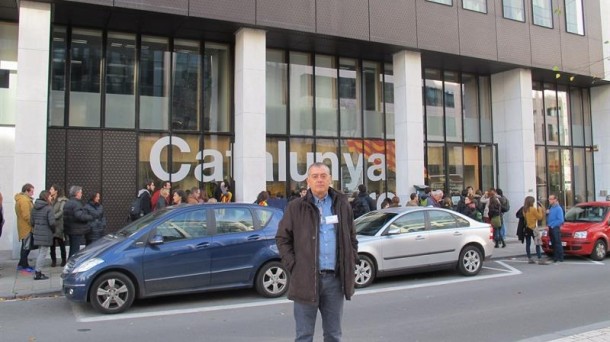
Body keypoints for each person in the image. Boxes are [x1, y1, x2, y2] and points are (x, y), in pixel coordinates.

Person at [276, 162, 358, 342]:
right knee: (304, 336)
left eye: (323, 176)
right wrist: (294, 265)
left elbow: (352, 236)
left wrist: (351, 258)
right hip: (305, 280)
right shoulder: (296, 207)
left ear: (330, 179)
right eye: (315, 176)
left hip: (335, 281)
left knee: (333, 335)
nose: (319, 179)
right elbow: (282, 239)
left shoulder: (342, 205)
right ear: (308, 181)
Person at [30, 190, 55, 280]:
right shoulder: (49, 208)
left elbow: (32, 222)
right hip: (46, 233)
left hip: (37, 232)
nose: (51, 197)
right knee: (43, 253)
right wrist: (53, 230)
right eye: (50, 196)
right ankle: (38, 272)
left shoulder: (34, 207)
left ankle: (38, 271)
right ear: (46, 197)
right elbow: (52, 223)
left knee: (41, 252)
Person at [63, 185, 93, 258]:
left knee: (72, 248)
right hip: (76, 230)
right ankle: (72, 266)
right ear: (76, 193)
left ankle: (69, 263)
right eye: (81, 192)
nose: (81, 194)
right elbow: (79, 216)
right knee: (75, 250)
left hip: (70, 229)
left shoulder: (68, 202)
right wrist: (89, 217)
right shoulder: (76, 204)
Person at [15, 183, 35, 272]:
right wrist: (33, 223)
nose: (32, 193)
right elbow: (27, 215)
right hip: (26, 227)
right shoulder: (24, 200)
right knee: (26, 247)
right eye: (31, 191)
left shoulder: (23, 199)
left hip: (24, 226)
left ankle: (22, 264)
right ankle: (23, 265)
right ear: (26, 191)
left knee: (25, 246)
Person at [519, 196, 545, 264]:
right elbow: (539, 217)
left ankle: (529, 258)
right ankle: (539, 258)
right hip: (533, 228)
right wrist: (540, 210)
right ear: (531, 202)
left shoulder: (524, 209)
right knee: (537, 243)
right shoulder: (533, 209)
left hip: (527, 228)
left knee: (528, 243)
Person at [49, 184, 68, 267]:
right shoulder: (49, 199)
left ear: (56, 191)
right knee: (51, 244)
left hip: (59, 225)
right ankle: (53, 260)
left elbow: (61, 211)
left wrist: (53, 217)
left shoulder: (62, 200)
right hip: (52, 225)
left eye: (52, 189)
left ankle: (63, 260)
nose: (50, 190)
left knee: (61, 243)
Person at [547, 194, 565, 263]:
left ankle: (560, 257)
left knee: (557, 242)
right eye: (549, 199)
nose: (549, 200)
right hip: (551, 227)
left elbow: (561, 220)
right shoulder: (551, 207)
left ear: (555, 200)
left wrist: (552, 225)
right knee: (553, 243)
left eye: (551, 199)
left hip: (555, 227)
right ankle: (555, 256)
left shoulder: (558, 208)